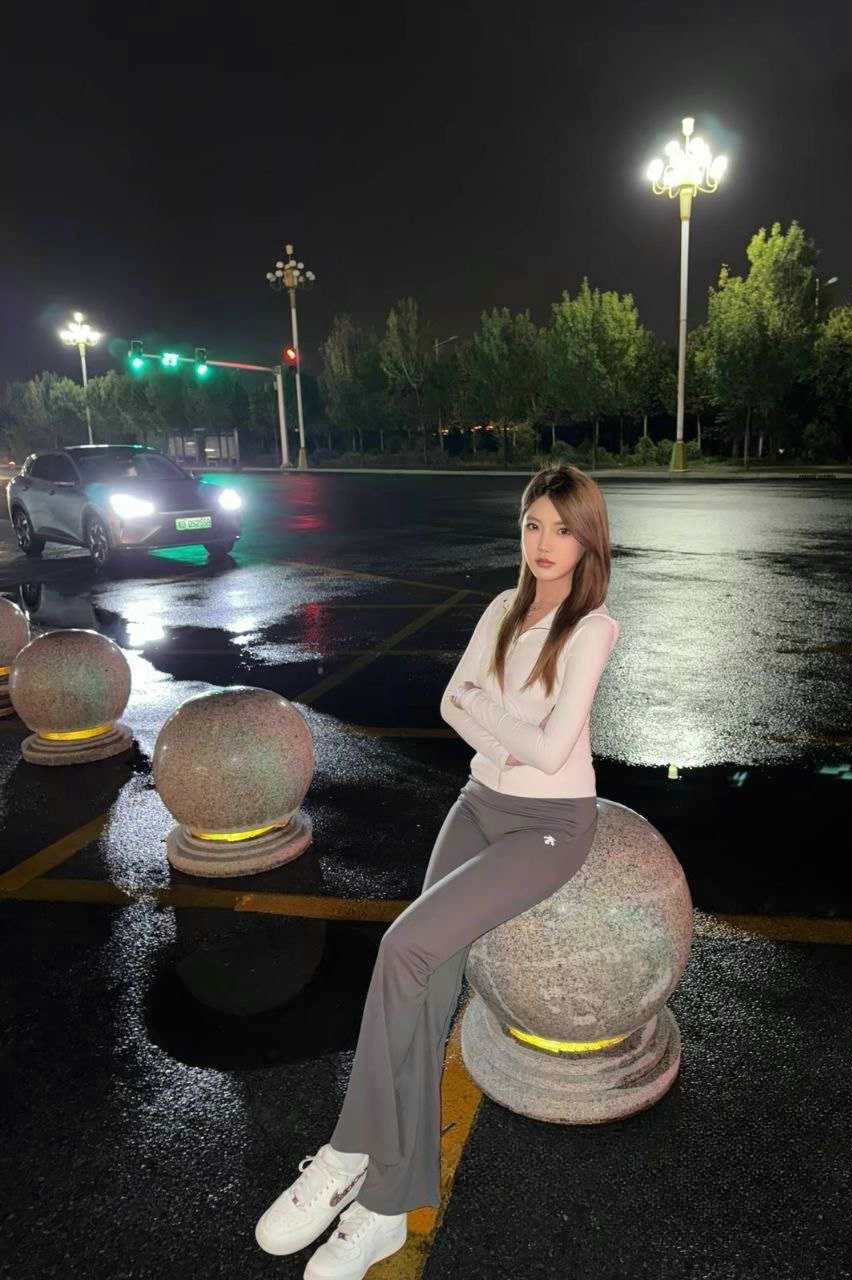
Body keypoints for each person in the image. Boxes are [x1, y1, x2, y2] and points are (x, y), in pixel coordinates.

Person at [255, 463, 621, 1280]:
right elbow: (450, 703)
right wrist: (499, 729)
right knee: (422, 984)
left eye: (563, 528)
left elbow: (546, 751)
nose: (545, 543)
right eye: (533, 525)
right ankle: (382, 1203)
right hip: (479, 803)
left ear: (588, 538)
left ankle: (355, 1157)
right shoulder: (501, 608)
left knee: (403, 948)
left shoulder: (592, 628)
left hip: (551, 826)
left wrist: (490, 718)